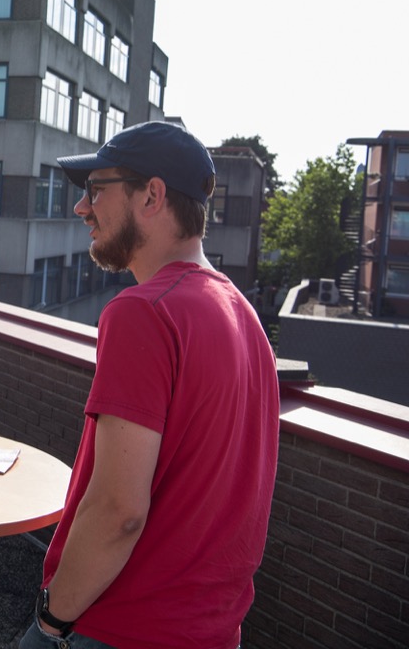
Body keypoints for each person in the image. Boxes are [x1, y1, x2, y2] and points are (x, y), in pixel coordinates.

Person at [19, 122, 280, 649]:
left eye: (96, 189)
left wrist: (52, 620)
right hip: (213, 631)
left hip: (122, 628)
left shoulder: (144, 313)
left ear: (151, 196)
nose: (82, 207)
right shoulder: (245, 317)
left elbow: (119, 511)